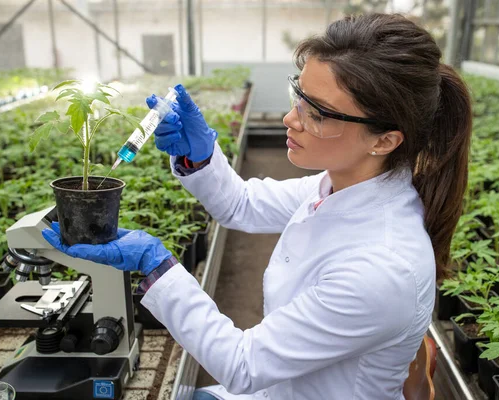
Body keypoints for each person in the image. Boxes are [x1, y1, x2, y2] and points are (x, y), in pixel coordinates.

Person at [43, 12, 472, 400]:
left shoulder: (382, 267)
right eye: (298, 96)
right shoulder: (344, 184)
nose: (292, 118)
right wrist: (199, 156)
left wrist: (156, 264)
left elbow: (244, 366)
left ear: (384, 140)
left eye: (318, 114)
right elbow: (241, 205)